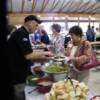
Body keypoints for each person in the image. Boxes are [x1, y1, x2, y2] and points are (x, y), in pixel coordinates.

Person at [7, 15, 53, 100]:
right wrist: (46, 52)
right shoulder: (21, 33)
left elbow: (26, 54)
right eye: (36, 25)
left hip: (20, 70)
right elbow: (29, 55)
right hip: (16, 73)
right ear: (29, 23)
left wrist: (44, 58)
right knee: (20, 95)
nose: (37, 27)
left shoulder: (24, 33)